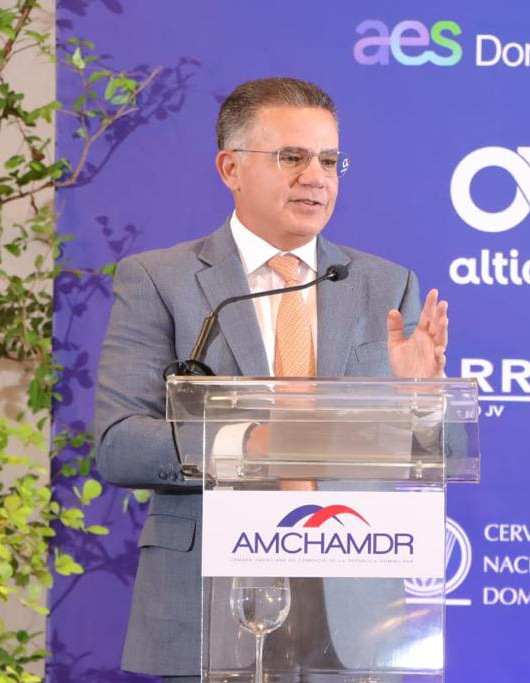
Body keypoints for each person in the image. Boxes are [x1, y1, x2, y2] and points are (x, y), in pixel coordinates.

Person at [94, 77, 449, 681]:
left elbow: (443, 449)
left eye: (329, 161)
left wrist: (422, 403)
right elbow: (120, 443)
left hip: (353, 602)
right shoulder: (159, 279)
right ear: (230, 168)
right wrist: (251, 443)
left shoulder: (386, 285)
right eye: (292, 157)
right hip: (211, 598)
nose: (316, 177)